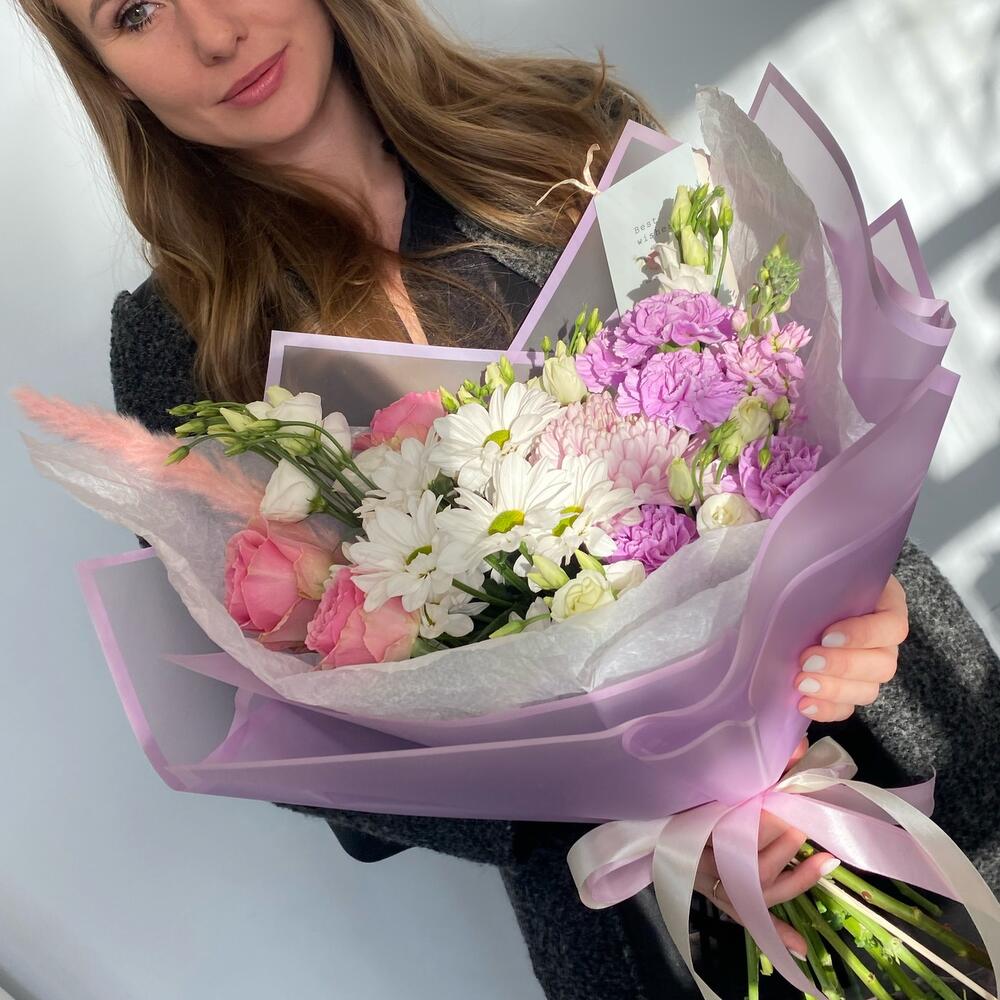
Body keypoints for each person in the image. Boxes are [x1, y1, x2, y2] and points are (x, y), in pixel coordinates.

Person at [16, 1, 999, 997]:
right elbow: (280, 720)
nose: (212, 33)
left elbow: (785, 413)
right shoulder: (182, 345)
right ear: (106, 73)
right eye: (133, 11)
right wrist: (637, 813)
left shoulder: (569, 133)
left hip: (897, 733)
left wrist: (861, 597)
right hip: (636, 910)